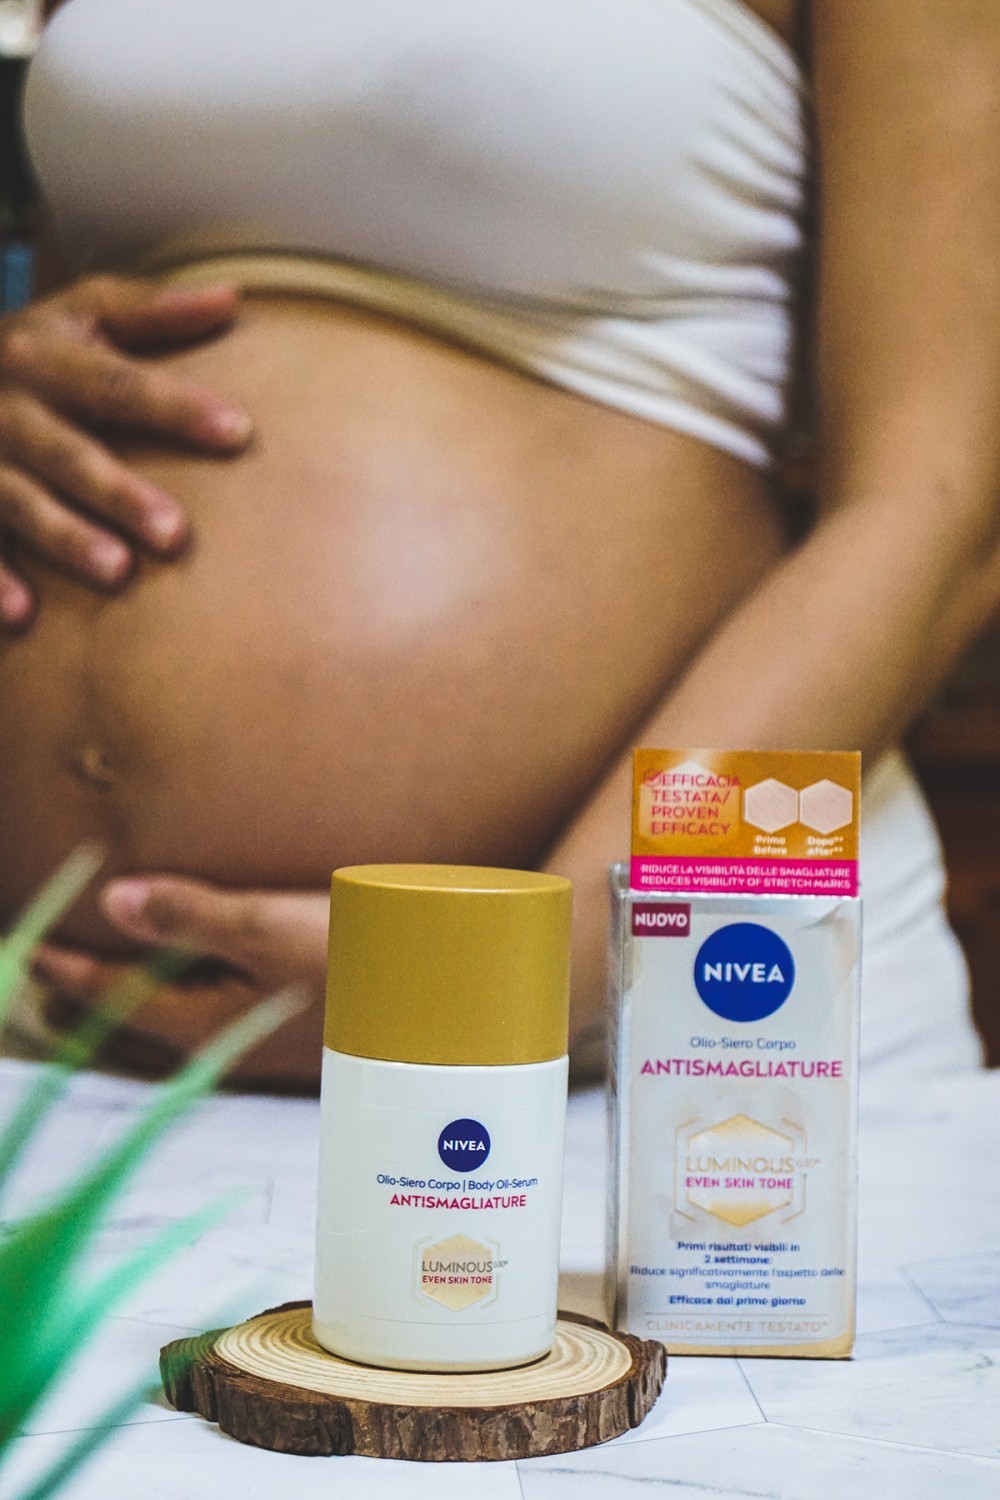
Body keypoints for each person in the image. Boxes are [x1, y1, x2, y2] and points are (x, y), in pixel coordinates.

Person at [0, 0, 995, 1091]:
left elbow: (940, 514)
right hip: (62, 1019)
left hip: (643, 1028)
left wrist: (540, 970)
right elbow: (94, 317)